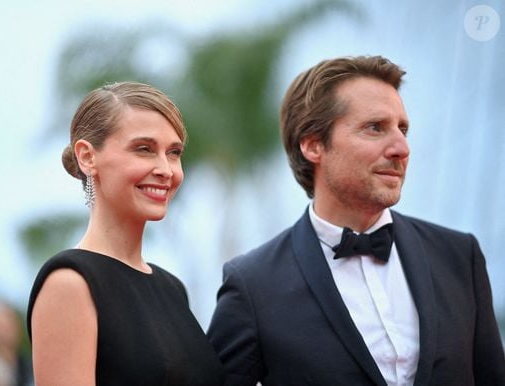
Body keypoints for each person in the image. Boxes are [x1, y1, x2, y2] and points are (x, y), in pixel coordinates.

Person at [207, 55, 505, 386]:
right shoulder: (252, 285)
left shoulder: (459, 256)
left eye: (402, 129)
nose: (401, 147)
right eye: (375, 128)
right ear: (313, 145)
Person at [27, 82, 223, 385]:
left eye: (173, 153)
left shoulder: (172, 288)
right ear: (87, 157)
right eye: (144, 149)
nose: (165, 169)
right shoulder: (69, 284)